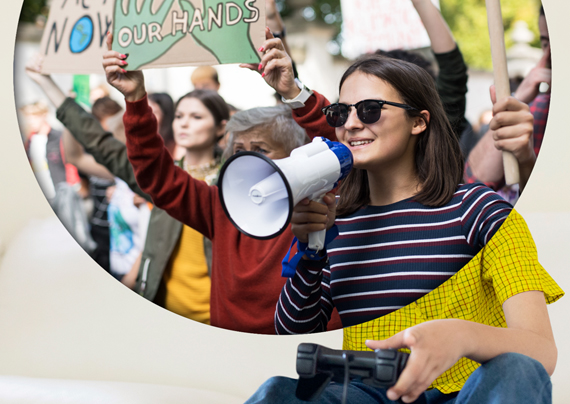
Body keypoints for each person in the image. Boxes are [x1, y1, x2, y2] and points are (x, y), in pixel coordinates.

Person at [243, 53, 562, 403]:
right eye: (340, 112)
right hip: (371, 393)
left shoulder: (478, 210)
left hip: (465, 394)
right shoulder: (339, 225)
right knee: (279, 392)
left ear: (418, 122)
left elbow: (539, 351)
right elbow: (292, 330)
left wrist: (461, 337)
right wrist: (310, 251)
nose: (350, 124)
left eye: (369, 110)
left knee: (515, 369)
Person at [102, 32, 343, 333]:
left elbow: (341, 145)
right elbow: (157, 176)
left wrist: (293, 91)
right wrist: (135, 98)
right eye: (239, 152)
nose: (248, 162)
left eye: (261, 150)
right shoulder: (221, 204)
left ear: (299, 154)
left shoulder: (322, 202)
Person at [464, 5, 550, 202]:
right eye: (545, 44)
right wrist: (517, 97)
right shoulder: (536, 108)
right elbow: (472, 184)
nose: (549, 57)